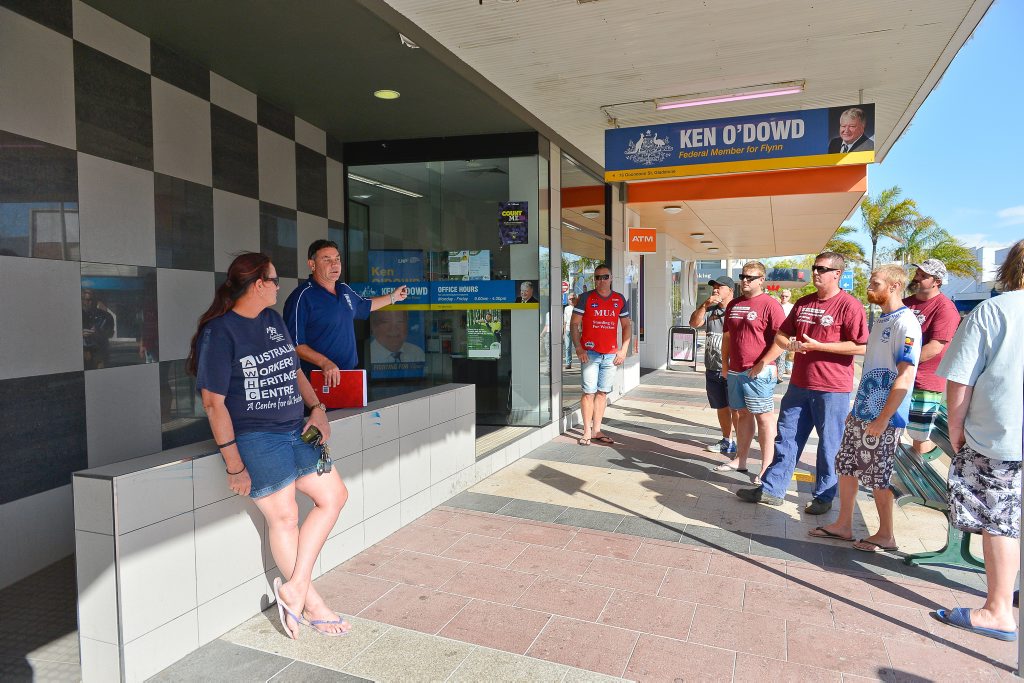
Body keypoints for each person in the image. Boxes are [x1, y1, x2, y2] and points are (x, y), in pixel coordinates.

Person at [187, 252, 351, 639]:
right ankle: (312, 603)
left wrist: (317, 408)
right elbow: (213, 403)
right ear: (258, 284)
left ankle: (294, 587)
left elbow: (293, 370)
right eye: (275, 280)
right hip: (256, 437)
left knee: (335, 496)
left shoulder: (273, 320)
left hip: (296, 428)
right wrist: (233, 464)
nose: (280, 287)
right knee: (285, 518)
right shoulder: (221, 332)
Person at [932, 239, 1024, 642]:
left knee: (1000, 522)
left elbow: (960, 381)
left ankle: (998, 610)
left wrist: (957, 431)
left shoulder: (993, 310)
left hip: (999, 438)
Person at [737, 252, 868, 514]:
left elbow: (861, 346)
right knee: (787, 436)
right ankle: (772, 489)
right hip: (799, 384)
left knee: (829, 443)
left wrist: (822, 347)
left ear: (837, 274)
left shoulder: (849, 305)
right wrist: (790, 345)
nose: (816, 272)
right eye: (814, 268)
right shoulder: (804, 303)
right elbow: (782, 335)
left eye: (822, 268)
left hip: (832, 387)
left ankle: (824, 495)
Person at [809, 265, 921, 551]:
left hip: (886, 417)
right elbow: (873, 368)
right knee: (846, 465)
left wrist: (883, 418)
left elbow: (905, 375)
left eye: (876, 283)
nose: (869, 287)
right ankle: (843, 525)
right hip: (864, 412)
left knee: (879, 476)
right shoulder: (883, 319)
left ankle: (886, 534)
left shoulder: (905, 323)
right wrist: (857, 409)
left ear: (895, 286)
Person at [284, 240, 408, 387]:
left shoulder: (343, 289)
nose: (335, 264)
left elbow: (364, 306)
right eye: (327, 259)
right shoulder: (301, 297)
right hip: (319, 380)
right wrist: (325, 362)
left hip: (348, 375)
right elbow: (294, 345)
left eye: (337, 259)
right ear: (312, 265)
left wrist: (393, 297)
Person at [714, 262, 786, 482]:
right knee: (742, 415)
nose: (745, 280)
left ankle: (766, 468)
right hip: (735, 370)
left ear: (761, 280)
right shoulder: (734, 304)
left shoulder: (771, 305)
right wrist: (725, 365)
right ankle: (740, 460)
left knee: (764, 419)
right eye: (743, 276)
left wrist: (762, 363)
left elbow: (782, 340)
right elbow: (727, 337)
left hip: (759, 373)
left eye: (750, 277)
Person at [902, 259, 960, 459]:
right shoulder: (905, 304)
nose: (917, 277)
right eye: (917, 273)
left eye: (923, 275)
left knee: (920, 436)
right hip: (899, 378)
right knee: (890, 429)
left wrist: (903, 364)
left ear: (936, 281)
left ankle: (920, 481)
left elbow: (935, 347)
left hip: (924, 382)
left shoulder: (945, 308)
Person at [571, 264, 632, 446]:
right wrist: (579, 348)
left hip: (610, 354)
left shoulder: (619, 299)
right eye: (597, 277)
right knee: (588, 392)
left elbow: (627, 325)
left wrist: (623, 350)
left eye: (605, 277)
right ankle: (586, 432)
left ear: (611, 278)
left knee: (602, 392)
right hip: (589, 353)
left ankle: (597, 429)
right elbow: (574, 324)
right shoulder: (585, 298)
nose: (601, 280)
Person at [689, 276, 737, 455]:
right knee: (721, 406)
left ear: (730, 290)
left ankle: (742, 446)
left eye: (720, 287)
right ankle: (727, 440)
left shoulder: (737, 309)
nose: (715, 290)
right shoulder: (710, 311)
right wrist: (704, 305)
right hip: (712, 366)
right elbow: (694, 323)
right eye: (714, 287)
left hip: (733, 368)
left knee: (736, 408)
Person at [82, 289, 114, 369]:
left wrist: (100, 332)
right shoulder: (77, 315)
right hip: (83, 352)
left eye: (93, 300)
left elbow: (110, 333)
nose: (90, 303)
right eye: (87, 300)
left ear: (97, 300)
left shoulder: (106, 316)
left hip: (99, 352)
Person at [775, 289, 794, 377]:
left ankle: (785, 372)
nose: (784, 298)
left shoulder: (792, 307)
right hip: (777, 332)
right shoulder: (776, 306)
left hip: (788, 333)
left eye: (786, 296)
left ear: (789, 297)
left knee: (787, 353)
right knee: (778, 352)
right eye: (782, 296)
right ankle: (779, 373)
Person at [563, 293, 577, 369]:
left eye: (573, 298)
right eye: (570, 299)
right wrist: (564, 332)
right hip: (568, 330)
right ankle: (568, 363)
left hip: (577, 330)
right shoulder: (566, 308)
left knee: (578, 346)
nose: (571, 300)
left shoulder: (579, 307)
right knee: (568, 347)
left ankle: (582, 362)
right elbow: (564, 321)